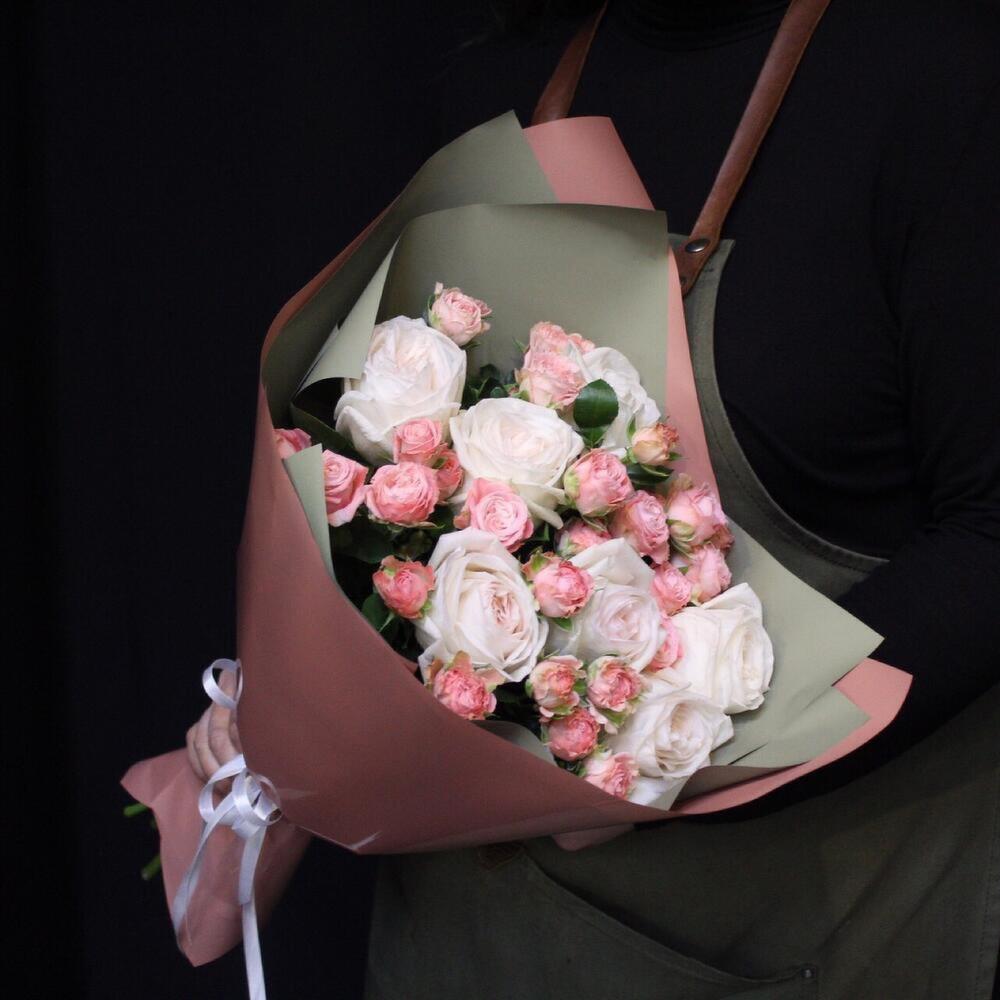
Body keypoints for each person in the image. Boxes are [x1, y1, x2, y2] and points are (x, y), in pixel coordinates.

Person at [189, 1, 1000, 996]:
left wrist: (663, 756)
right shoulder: (501, 82)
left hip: (774, 930)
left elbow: (989, 535)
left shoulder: (933, 82)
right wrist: (308, 690)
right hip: (464, 938)